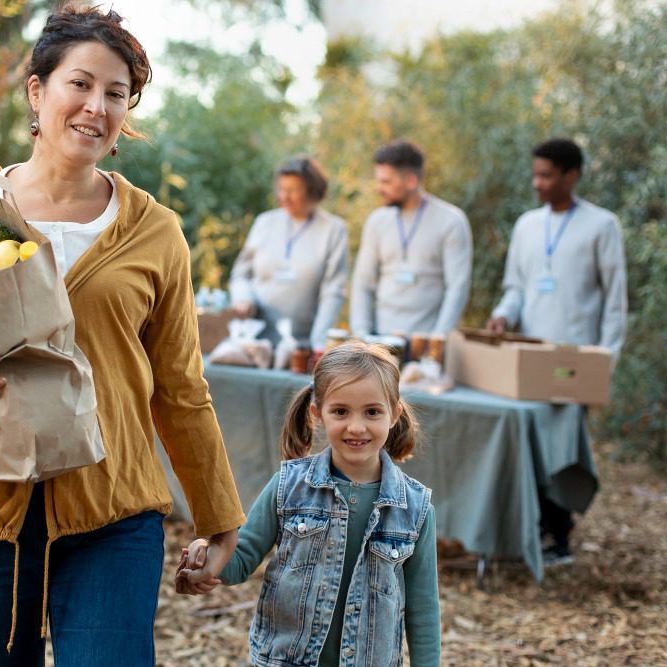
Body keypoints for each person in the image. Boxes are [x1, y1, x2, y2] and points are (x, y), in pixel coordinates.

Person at [0, 6, 245, 665]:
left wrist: (220, 518)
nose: (96, 106)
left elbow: (180, 386)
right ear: (38, 91)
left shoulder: (154, 231)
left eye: (117, 94)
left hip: (112, 507)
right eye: (79, 84)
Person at [176, 340, 440, 666]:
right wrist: (208, 560)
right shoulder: (288, 486)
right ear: (317, 414)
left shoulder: (415, 509)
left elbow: (422, 606)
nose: (356, 426)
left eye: (372, 412)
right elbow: (242, 556)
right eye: (341, 411)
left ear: (394, 413)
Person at [487, 137, 627, 566]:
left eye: (547, 175)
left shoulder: (601, 226)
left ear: (572, 175)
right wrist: (502, 316)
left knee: (560, 449)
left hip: (573, 362)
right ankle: (530, 531)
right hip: (528, 359)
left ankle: (560, 539)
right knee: (526, 443)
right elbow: (517, 288)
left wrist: (604, 362)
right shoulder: (528, 225)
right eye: (536, 174)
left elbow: (615, 301)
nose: (538, 183)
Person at [350, 140, 472, 337]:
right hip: (380, 341)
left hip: (426, 341)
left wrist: (437, 339)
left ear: (411, 181)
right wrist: (361, 335)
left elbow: (458, 288)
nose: (379, 188)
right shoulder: (377, 221)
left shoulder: (451, 221)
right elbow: (362, 283)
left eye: (386, 182)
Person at [228, 156, 349, 352]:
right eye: (282, 189)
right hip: (255, 342)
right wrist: (243, 297)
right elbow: (241, 274)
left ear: (312, 191)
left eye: (293, 190)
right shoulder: (264, 222)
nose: (284, 196)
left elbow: (333, 292)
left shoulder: (333, 230)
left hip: (301, 346)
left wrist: (318, 343)